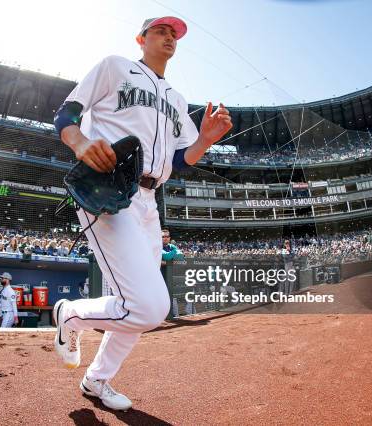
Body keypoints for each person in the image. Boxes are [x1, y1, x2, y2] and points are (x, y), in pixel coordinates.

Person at [51, 16, 232, 411]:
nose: (169, 37)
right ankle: (72, 314)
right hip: (110, 189)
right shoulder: (117, 66)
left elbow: (180, 160)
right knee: (149, 307)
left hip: (151, 202)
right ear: (142, 38)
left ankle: (97, 380)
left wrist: (203, 139)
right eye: (161, 31)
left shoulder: (177, 99)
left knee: (130, 306)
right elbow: (65, 115)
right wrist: (80, 141)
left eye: (174, 34)